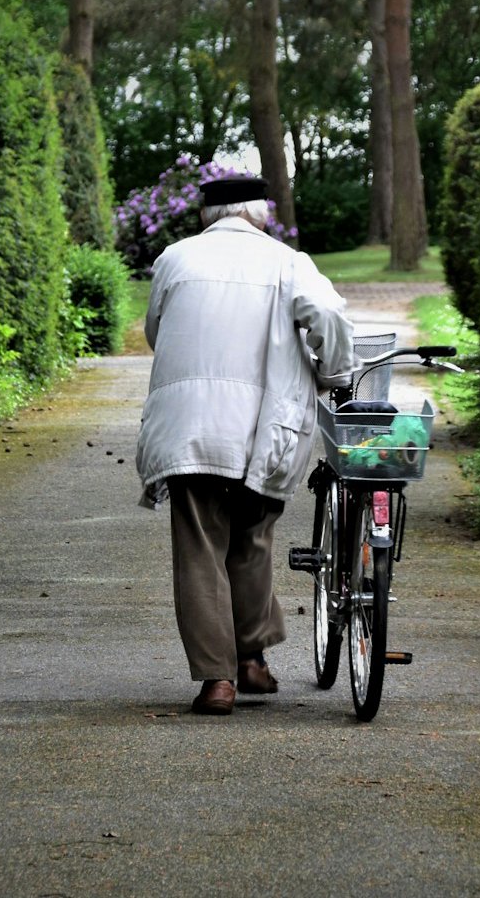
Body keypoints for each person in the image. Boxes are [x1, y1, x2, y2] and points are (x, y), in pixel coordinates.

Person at [135, 175, 357, 715]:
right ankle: (250, 661)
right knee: (252, 538)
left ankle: (219, 682)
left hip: (190, 428)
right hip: (265, 426)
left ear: (208, 217)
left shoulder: (175, 259)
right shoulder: (288, 262)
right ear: (260, 215)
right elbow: (328, 317)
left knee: (200, 548)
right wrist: (334, 372)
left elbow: (154, 331)